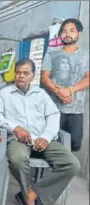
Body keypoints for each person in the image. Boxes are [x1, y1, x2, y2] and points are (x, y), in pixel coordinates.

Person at [0, 59, 80, 205]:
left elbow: (53, 115)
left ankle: (34, 194)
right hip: (18, 140)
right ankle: (29, 197)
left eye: (26, 73)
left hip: (42, 139)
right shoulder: (4, 94)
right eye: (18, 72)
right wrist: (15, 128)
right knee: (17, 160)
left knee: (72, 164)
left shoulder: (41, 95)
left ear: (32, 76)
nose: (21, 76)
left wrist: (46, 137)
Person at [41, 18, 89, 152]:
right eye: (64, 31)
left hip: (76, 110)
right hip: (53, 109)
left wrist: (69, 90)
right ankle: (45, 173)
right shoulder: (51, 54)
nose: (67, 34)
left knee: (73, 146)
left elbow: (88, 78)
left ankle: (64, 171)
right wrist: (59, 92)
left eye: (72, 31)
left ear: (79, 33)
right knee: (49, 143)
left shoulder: (86, 55)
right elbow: (45, 77)